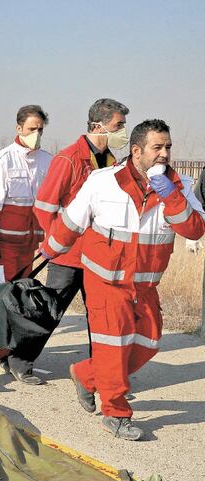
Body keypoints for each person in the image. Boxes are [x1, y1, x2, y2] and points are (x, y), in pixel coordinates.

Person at [41, 119, 205, 440]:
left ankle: (87, 375)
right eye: (157, 147)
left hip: (145, 285)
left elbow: (195, 230)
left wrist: (172, 196)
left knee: (148, 342)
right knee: (113, 346)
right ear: (136, 151)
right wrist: (49, 249)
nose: (164, 154)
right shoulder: (103, 181)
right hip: (105, 281)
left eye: (168, 147)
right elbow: (72, 220)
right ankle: (115, 413)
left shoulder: (181, 186)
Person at [35, 99, 130, 350]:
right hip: (68, 256)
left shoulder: (111, 162)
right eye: (118, 125)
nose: (123, 131)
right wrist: (58, 242)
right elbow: (44, 207)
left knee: (101, 316)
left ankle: (99, 364)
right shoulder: (69, 159)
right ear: (98, 126)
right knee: (50, 312)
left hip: (100, 257)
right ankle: (20, 360)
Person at [0, 104, 53, 384]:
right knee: (2, 302)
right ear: (19, 128)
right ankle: (3, 352)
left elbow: (50, 205)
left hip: (31, 248)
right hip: (5, 247)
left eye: (40, 129)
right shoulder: (3, 160)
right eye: (32, 129)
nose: (36, 134)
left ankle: (16, 351)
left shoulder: (48, 161)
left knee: (23, 302)